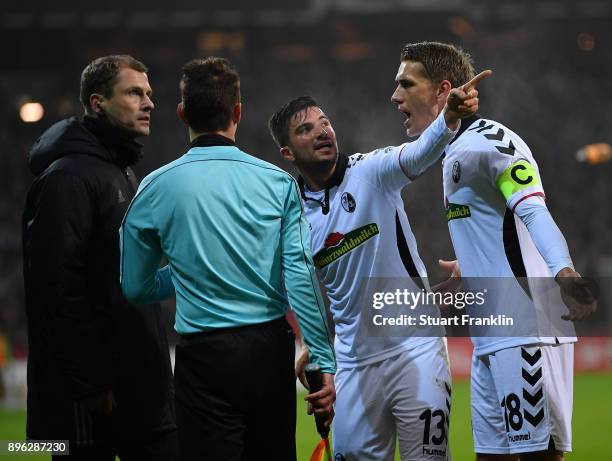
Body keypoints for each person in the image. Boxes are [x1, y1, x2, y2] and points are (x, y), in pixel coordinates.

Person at [119, 57, 336, 461]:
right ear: (238, 111)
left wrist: (188, 271)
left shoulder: (155, 187)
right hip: (269, 353)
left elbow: (135, 287)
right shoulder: (277, 183)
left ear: (183, 113)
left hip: (204, 361)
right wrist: (322, 359)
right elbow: (301, 274)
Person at [391, 42, 597, 461]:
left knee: (540, 455)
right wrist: (471, 268)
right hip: (490, 333)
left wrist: (565, 274)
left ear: (442, 90)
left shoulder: (492, 143)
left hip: (528, 325)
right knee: (491, 456)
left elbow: (532, 211)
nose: (395, 96)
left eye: (405, 84)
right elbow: (503, 231)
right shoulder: (450, 152)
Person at [268, 70, 489, 460]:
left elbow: (420, 152)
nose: (322, 133)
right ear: (288, 152)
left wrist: (448, 117)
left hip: (416, 350)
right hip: (353, 363)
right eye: (306, 130)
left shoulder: (370, 171)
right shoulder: (291, 216)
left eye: (325, 123)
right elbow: (313, 291)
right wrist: (316, 348)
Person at [22, 55, 177, 460]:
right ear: (97, 102)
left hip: (137, 386)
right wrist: (89, 382)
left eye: (149, 94)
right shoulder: (67, 178)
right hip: (93, 397)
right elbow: (56, 288)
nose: (148, 103)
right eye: (133, 92)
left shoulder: (121, 171)